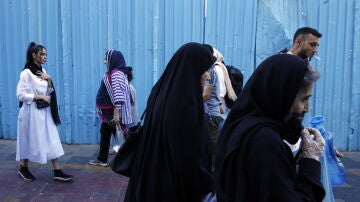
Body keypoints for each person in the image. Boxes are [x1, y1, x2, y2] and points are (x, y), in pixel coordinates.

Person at [215, 54, 325, 201]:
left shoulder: (243, 125)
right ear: (282, 96)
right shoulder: (265, 143)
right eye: (304, 99)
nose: (307, 108)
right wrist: (311, 161)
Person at [124, 42, 215, 202]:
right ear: (193, 70)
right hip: (172, 187)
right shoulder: (185, 104)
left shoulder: (161, 90)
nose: (207, 76)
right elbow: (186, 157)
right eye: (205, 70)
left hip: (151, 179)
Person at [16, 42, 73, 181]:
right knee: (27, 139)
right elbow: (20, 95)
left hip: (45, 113)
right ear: (33, 55)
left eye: (46, 54)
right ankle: (23, 169)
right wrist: (39, 97)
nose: (45, 57)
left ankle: (58, 171)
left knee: (52, 139)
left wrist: (49, 80)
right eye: (42, 54)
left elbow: (49, 93)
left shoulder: (43, 72)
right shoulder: (26, 73)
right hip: (31, 113)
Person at [89, 50, 132, 167]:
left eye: (106, 59)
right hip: (111, 110)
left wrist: (116, 113)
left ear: (113, 60)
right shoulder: (119, 73)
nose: (104, 62)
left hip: (111, 111)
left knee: (120, 134)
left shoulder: (116, 74)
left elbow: (118, 95)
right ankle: (103, 159)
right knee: (108, 131)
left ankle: (132, 157)